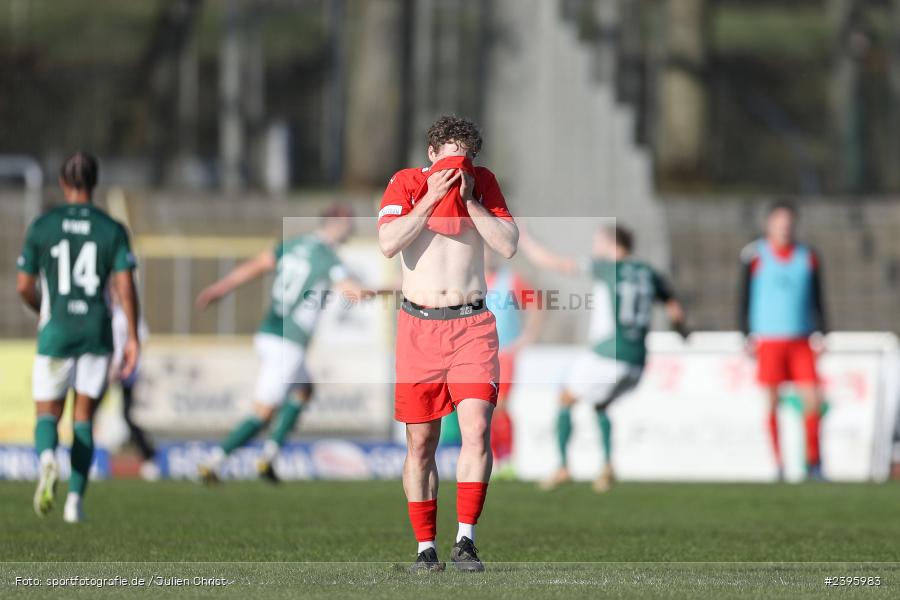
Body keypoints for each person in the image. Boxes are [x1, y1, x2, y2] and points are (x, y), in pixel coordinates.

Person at [378, 115, 517, 572]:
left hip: (471, 325)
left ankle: (466, 540)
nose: (459, 164)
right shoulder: (405, 183)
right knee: (421, 442)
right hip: (418, 327)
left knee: (476, 427)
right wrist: (433, 197)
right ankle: (425, 547)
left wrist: (471, 201)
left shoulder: (484, 184)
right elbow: (388, 242)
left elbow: (508, 244)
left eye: (467, 156)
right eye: (451, 154)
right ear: (432, 154)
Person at [195, 206, 364, 484]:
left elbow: (253, 267)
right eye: (348, 223)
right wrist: (397, 286)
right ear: (336, 224)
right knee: (263, 411)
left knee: (303, 390)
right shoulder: (328, 257)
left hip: (268, 331)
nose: (352, 228)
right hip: (289, 342)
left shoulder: (293, 244)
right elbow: (355, 293)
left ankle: (269, 457)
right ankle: (212, 461)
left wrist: (220, 289)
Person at [17, 152, 140, 523]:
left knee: (47, 414)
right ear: (94, 182)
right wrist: (132, 336)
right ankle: (74, 503)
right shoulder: (112, 228)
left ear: (62, 182)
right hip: (96, 332)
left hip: (56, 333)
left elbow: (23, 286)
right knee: (83, 418)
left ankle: (48, 459)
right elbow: (125, 285)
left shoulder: (43, 225)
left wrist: (41, 307)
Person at [519, 224, 686, 493]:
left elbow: (552, 263)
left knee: (564, 398)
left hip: (610, 353)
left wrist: (524, 240)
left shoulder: (606, 267)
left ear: (611, 244)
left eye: (599, 242)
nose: (595, 247)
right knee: (601, 402)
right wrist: (682, 332)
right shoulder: (649, 273)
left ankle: (563, 466)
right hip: (638, 360)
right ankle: (607, 465)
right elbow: (675, 309)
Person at [738, 201, 827, 480]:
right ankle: (778, 464)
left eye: (788, 222)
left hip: (800, 338)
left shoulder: (807, 255)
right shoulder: (754, 255)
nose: (784, 227)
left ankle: (813, 462)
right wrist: (744, 333)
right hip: (768, 339)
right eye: (779, 222)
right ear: (769, 224)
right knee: (772, 401)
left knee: (812, 399)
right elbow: (742, 296)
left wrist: (823, 331)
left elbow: (818, 296)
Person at [439, 249, 543, 480]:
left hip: (503, 354)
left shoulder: (511, 279)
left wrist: (526, 338)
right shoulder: (467, 282)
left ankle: (507, 460)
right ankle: (490, 460)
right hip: (476, 356)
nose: (488, 257)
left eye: (491, 253)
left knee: (501, 406)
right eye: (483, 253)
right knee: (481, 411)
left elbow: (536, 304)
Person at [109, 286, 157, 480]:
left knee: (127, 416)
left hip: (126, 372)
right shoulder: (107, 312)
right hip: (105, 370)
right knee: (90, 415)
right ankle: (90, 460)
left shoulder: (129, 314)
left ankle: (149, 456)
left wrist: (126, 364)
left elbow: (141, 339)